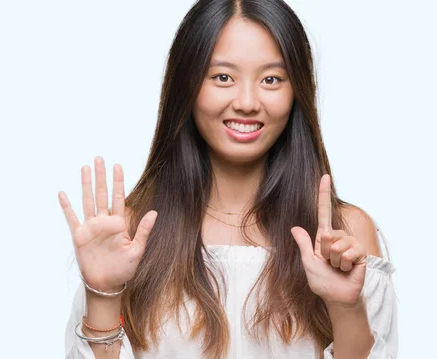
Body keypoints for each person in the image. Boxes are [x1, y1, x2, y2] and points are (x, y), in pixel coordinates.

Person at [58, 0, 398, 358]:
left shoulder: (345, 236)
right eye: (222, 77)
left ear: (297, 90)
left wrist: (345, 309)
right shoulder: (127, 235)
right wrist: (101, 293)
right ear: (186, 86)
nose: (247, 102)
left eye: (271, 79)